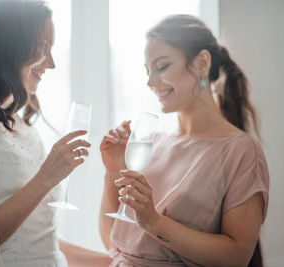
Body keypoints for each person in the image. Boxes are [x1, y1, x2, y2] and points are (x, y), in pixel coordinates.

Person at [99, 14, 269, 266]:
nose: (150, 82)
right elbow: (115, 245)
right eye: (147, 70)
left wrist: (154, 222)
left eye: (162, 66)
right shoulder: (152, 143)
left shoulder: (241, 150)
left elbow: (237, 257)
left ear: (202, 63)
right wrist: (113, 171)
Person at [0, 0, 110, 266]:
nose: (50, 63)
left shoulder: (22, 123)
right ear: (7, 48)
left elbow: (37, 239)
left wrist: (113, 262)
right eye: (42, 48)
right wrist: (47, 177)